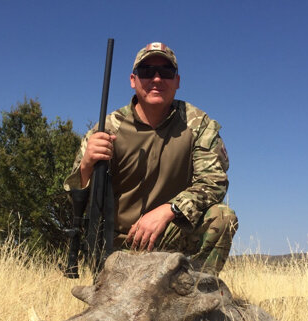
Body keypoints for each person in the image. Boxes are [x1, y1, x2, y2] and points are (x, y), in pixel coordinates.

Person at [64, 42, 237, 274]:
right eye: (146, 72)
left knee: (222, 217)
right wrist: (86, 165)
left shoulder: (198, 123)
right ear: (133, 80)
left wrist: (168, 210)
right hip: (118, 246)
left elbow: (214, 182)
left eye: (166, 72)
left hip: (170, 235)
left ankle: (193, 295)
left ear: (177, 81)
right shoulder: (106, 128)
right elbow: (75, 200)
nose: (156, 79)